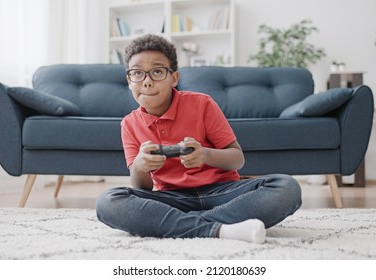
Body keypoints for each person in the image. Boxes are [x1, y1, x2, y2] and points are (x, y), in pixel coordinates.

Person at [96, 34, 302, 244]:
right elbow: (142, 189)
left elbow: (237, 159)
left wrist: (204, 154)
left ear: (174, 78)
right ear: (129, 81)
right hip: (172, 199)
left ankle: (184, 225)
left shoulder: (202, 104)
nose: (147, 82)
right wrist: (140, 166)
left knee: (286, 187)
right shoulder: (129, 124)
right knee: (108, 201)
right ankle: (223, 230)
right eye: (138, 73)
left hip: (223, 193)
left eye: (157, 72)